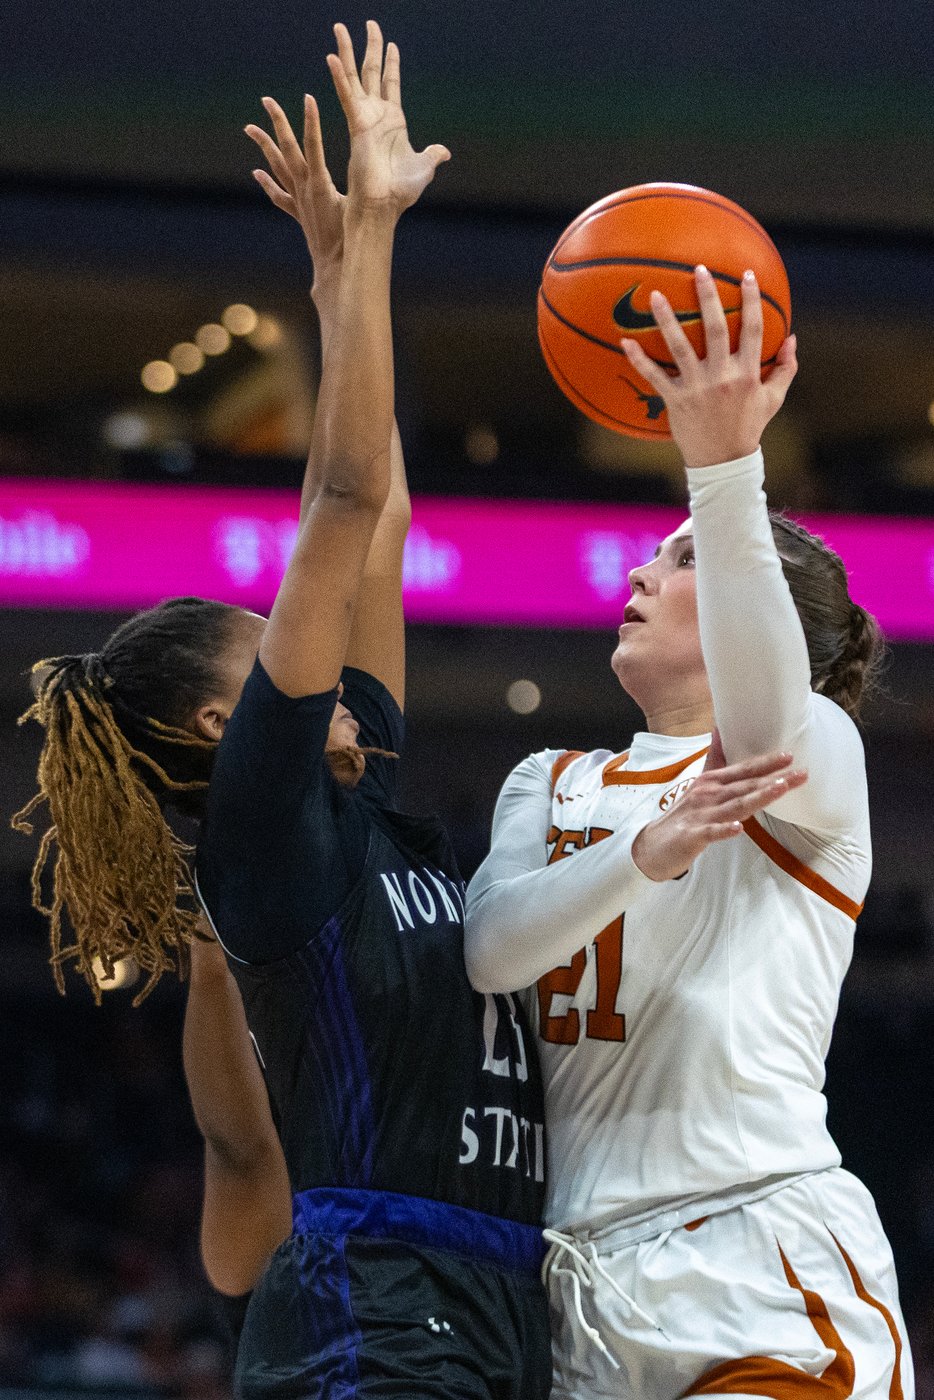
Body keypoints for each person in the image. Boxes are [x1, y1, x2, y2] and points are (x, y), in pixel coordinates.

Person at [14, 23, 550, 1399]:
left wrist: (350, 273)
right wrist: (356, 245)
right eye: (268, 656)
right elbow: (344, 508)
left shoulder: (354, 790)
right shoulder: (262, 826)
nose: (301, 661)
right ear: (221, 726)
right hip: (368, 1305)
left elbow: (385, 524)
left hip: (493, 1291)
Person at [466, 266, 913, 1400]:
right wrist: (643, 851)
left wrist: (721, 467)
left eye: (677, 558)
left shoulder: (812, 748)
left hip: (759, 1256)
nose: (637, 569)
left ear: (738, 595)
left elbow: (760, 716)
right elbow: (491, 949)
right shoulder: (550, 776)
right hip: (586, 1292)